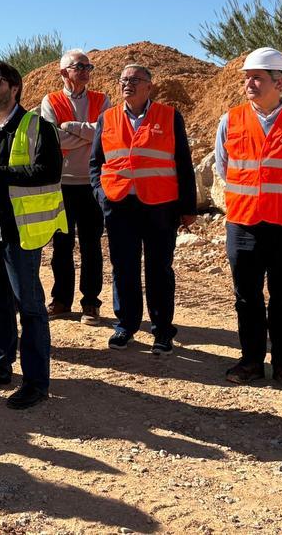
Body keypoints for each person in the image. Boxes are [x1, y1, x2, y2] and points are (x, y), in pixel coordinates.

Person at [215, 47, 282, 394]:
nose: (250, 83)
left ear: (279, 83)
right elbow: (224, 168)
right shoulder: (230, 120)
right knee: (246, 296)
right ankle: (250, 362)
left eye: (257, 77)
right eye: (247, 77)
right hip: (243, 224)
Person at [0, 62, 65, 410]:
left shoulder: (38, 126)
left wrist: (0, 173)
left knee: (30, 306)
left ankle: (36, 382)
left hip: (20, 231)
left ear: (15, 88)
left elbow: (49, 171)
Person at [90, 65, 196, 356]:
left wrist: (188, 208)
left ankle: (162, 330)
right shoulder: (107, 118)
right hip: (120, 205)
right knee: (124, 268)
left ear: (150, 86)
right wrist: (101, 196)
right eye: (123, 79)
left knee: (159, 269)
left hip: (160, 206)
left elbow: (184, 164)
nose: (128, 84)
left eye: (135, 80)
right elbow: (96, 163)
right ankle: (126, 325)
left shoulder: (169, 116)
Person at [40, 49, 110, 325]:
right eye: (78, 66)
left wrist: (71, 127)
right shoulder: (51, 100)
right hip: (62, 184)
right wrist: (87, 132)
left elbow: (105, 135)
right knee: (62, 245)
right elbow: (50, 139)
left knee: (92, 245)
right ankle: (61, 300)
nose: (84, 71)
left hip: (93, 183)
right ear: (63, 72)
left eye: (87, 66)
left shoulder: (101, 99)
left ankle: (91, 303)